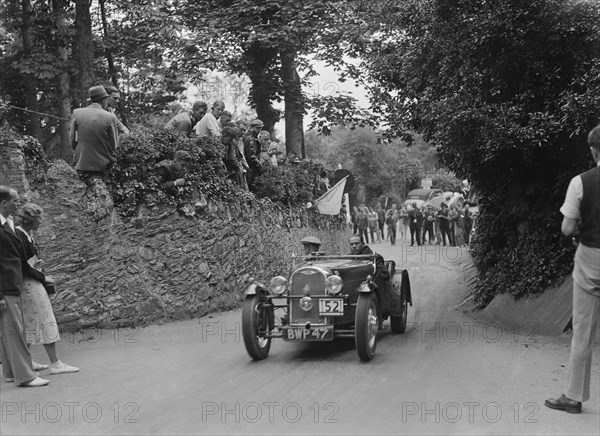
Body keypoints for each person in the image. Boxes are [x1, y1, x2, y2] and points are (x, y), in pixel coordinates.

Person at [545, 125, 600, 415]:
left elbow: (566, 227)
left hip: (591, 258)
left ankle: (574, 396)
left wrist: (581, 226)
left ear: (593, 151)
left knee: (583, 330)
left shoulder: (581, 182)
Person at [15, 204, 79, 375]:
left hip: (29, 283)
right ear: (30, 219)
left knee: (28, 322)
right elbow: (22, 265)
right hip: (30, 284)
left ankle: (27, 361)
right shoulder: (20, 236)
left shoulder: (25, 234)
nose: (41, 221)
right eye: (39, 218)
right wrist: (43, 277)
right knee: (46, 319)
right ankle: (55, 363)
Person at [0, 186, 50, 387]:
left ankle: (11, 372)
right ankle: (26, 376)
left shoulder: (8, 223)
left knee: (7, 331)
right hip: (7, 286)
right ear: (4, 203)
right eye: (15, 201)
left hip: (11, 283)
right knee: (15, 331)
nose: (18, 205)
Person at [70, 85, 119, 182]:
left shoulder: (76, 113)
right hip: (102, 166)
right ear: (104, 100)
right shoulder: (110, 117)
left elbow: (72, 140)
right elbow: (114, 145)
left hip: (81, 163)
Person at [243, 119, 264, 191]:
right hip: (250, 169)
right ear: (251, 127)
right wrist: (260, 165)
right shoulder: (251, 138)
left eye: (260, 128)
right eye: (257, 128)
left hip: (250, 168)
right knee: (251, 189)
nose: (259, 130)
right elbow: (251, 156)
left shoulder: (250, 137)